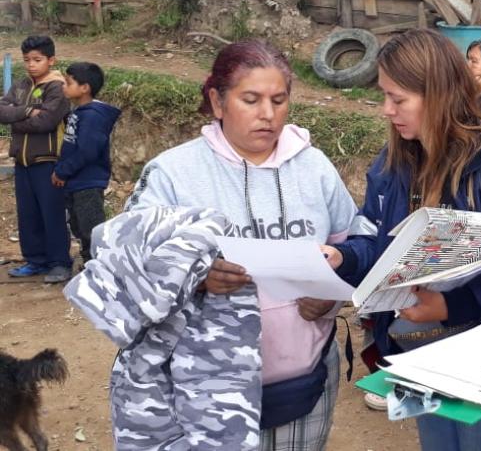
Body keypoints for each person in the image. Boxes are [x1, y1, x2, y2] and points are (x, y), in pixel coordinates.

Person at [332, 29, 481, 451]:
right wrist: (343, 257)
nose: (387, 111)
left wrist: (452, 303)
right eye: (384, 96)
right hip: (417, 353)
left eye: (398, 99)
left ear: (438, 93)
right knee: (438, 443)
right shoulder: (393, 161)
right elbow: (372, 236)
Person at [125, 40, 358, 451]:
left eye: (279, 100)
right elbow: (126, 265)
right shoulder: (174, 174)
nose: (267, 115)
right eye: (250, 100)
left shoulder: (314, 167)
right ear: (217, 101)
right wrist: (194, 275)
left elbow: (353, 242)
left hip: (303, 383)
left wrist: (329, 290)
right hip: (204, 392)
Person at [0, 35, 72, 283]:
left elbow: (47, 122)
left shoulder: (58, 87)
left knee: (51, 213)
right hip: (22, 161)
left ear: (51, 60)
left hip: (48, 161)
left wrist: (15, 118)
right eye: (27, 60)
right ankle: (36, 261)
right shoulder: (21, 85)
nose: (31, 65)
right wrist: (29, 110)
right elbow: (1, 111)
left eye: (37, 60)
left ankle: (60, 263)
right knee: (28, 214)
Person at [52, 62, 121, 263]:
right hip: (76, 182)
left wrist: (62, 171)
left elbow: (87, 151)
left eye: (68, 82)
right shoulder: (79, 112)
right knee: (79, 227)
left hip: (88, 183)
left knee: (92, 228)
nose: (63, 86)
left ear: (85, 88)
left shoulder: (92, 116)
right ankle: (89, 263)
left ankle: (102, 267)